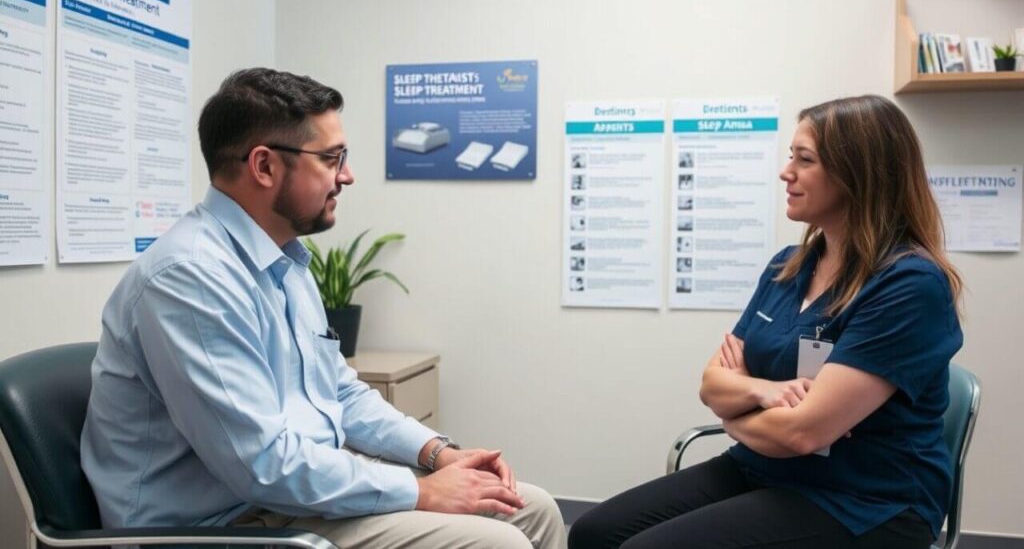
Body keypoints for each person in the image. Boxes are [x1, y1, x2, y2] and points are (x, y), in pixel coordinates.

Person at [81, 68, 566, 549]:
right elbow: (263, 465)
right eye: (332, 158)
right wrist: (420, 490)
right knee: (498, 542)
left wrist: (437, 454)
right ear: (265, 166)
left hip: (286, 501)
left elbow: (339, 392)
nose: (347, 176)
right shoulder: (192, 277)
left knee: (533, 509)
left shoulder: (284, 260)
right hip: (219, 527)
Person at [568, 95, 963, 549]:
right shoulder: (789, 266)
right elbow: (712, 383)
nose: (785, 172)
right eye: (790, 156)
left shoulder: (908, 285)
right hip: (762, 466)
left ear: (858, 174)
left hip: (865, 500)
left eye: (804, 159)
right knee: (592, 533)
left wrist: (734, 417)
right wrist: (762, 392)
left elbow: (803, 431)